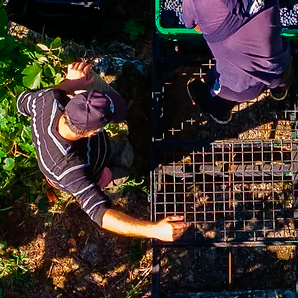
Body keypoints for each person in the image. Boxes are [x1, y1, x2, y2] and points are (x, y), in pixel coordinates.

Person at [17, 60, 187, 241]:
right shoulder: (70, 169)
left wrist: (69, 84)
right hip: (89, 172)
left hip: (96, 152)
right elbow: (99, 212)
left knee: (118, 149)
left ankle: (115, 155)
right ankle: (113, 177)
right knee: (119, 173)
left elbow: (21, 101)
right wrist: (154, 231)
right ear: (93, 132)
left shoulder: (48, 100)